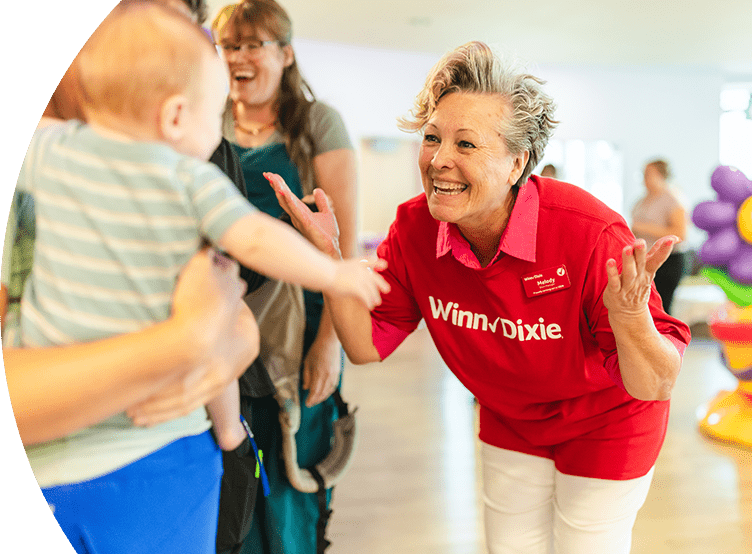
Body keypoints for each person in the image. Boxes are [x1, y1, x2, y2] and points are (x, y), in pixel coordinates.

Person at [268, 41, 692, 554]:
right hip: (510, 415)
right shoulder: (414, 229)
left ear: (517, 163)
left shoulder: (589, 234)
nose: (439, 160)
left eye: (466, 145)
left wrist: (629, 317)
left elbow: (655, 384)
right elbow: (364, 347)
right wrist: (330, 258)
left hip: (605, 421)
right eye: (431, 138)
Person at [11, 3, 388, 553]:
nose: (221, 134)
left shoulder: (48, 148)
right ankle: (233, 430)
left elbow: (233, 319)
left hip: (177, 428)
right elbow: (256, 238)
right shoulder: (186, 175)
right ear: (175, 116)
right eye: (216, 120)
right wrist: (334, 272)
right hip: (121, 451)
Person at [211, 2, 359, 552]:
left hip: (304, 322)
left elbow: (340, 242)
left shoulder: (318, 122)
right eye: (229, 46)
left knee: (295, 455)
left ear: (286, 54)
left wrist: (331, 344)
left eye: (254, 45)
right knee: (237, 460)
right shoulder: (208, 121)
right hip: (226, 319)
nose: (238, 57)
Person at [631, 159, 688, 314]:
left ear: (661, 175)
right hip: (645, 260)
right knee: (645, 308)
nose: (644, 178)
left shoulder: (673, 199)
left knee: (661, 308)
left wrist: (644, 228)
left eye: (648, 173)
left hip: (669, 261)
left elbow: (680, 233)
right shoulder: (642, 201)